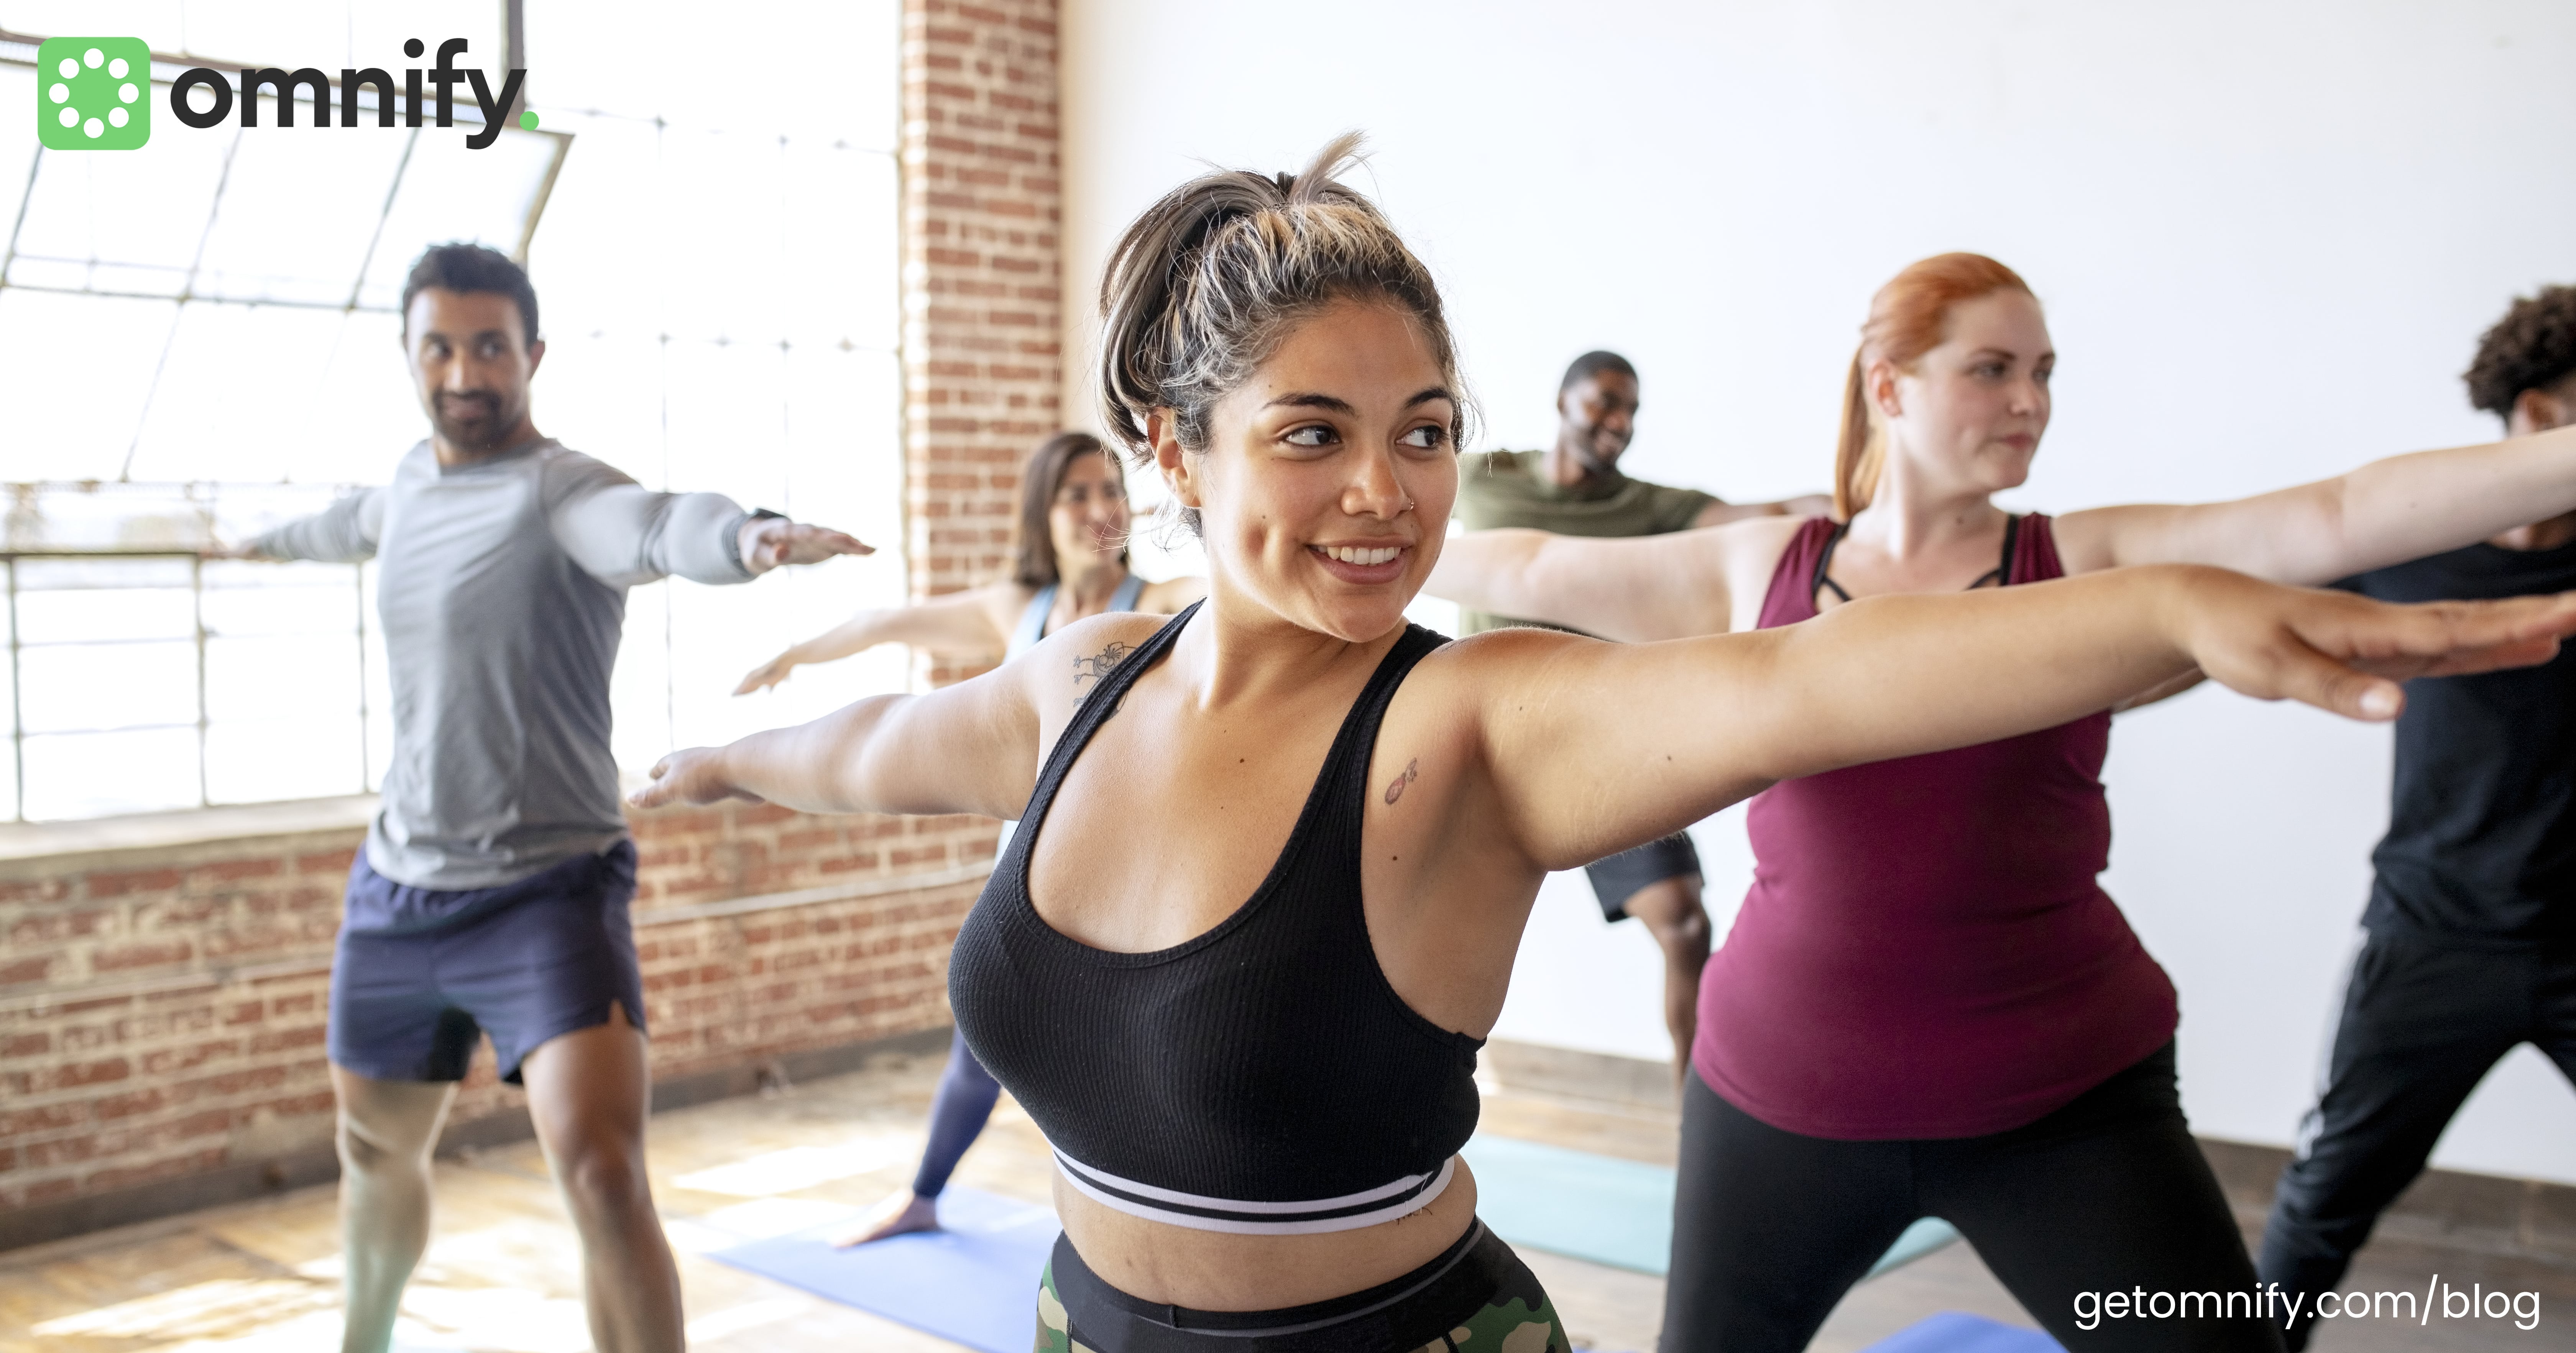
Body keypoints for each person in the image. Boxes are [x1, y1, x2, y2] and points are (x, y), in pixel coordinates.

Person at [629, 150, 2576, 1353]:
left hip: (1941, 1124)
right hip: (1158, 1302)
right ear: (1172, 445)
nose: (1384, 492)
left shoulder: (1479, 723)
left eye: (1421, 428)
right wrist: (721, 760)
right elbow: (894, 743)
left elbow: (1821, 688)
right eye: (1314, 432)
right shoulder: (1090, 686)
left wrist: (2164, 613)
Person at [1423, 253, 2576, 1352]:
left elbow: (2336, 514)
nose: (2032, 402)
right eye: (1994, 369)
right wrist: (1291, 538)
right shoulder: (1758, 565)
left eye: (2045, 374)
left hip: (2062, 1097)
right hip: (1782, 1094)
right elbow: (1523, 567)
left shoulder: (2082, 560)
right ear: (1891, 386)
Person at [226, 244, 868, 1353]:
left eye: (489, 346)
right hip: (397, 892)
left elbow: (659, 524)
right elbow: (341, 522)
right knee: (375, 1155)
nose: (464, 372)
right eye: (441, 347)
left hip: (548, 895)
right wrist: (246, 540)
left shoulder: (561, 490)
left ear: (532, 355)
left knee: (603, 1168)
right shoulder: (407, 485)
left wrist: (745, 537)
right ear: (411, 355)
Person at [736, 430, 1202, 1246]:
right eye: (1078, 495)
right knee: (980, 1045)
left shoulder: (1158, 604)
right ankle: (921, 1196)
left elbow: (1234, 589)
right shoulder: (1013, 610)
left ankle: (1164, 1225)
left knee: (1143, 1064)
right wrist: (795, 655)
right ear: (1044, 515)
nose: (1100, 510)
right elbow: (887, 622)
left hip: (1130, 881)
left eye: (1110, 491)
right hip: (1026, 875)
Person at [2257, 284, 2576, 1350]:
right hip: (2434, 934)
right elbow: (2241, 603)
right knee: (2326, 1193)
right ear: (2523, 414)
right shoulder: (2405, 551)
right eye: (2560, 413)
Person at [1457, 353, 1832, 1073]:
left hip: (1596, 749)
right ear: (1562, 401)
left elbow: (1770, 515)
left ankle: (1699, 1118)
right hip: (1484, 746)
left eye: (1630, 412)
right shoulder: (1484, 476)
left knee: (1686, 925)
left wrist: (1855, 505)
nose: (1618, 425)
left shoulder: (1642, 506)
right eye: (1604, 404)